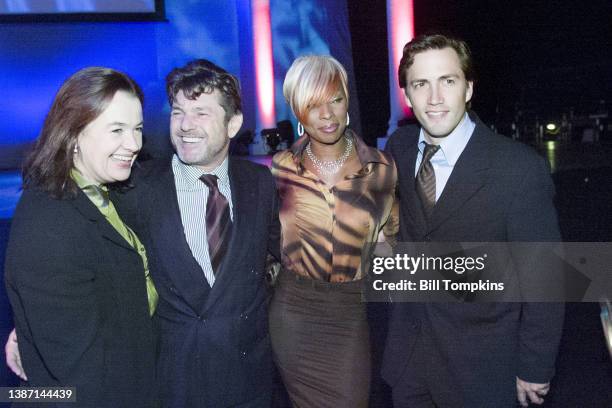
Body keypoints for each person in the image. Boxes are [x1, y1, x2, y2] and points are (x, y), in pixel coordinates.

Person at [382, 34, 564, 407]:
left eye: (447, 81)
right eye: (421, 84)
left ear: (468, 88)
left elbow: (545, 278)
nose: (434, 98)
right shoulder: (399, 148)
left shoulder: (517, 168)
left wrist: (536, 365)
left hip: (482, 369)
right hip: (410, 363)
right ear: (407, 94)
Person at [121, 59, 281, 407]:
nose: (185, 126)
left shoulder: (260, 183)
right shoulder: (137, 189)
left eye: (201, 113)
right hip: (173, 382)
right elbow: (96, 268)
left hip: (247, 380)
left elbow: (282, 260)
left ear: (233, 123)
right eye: (178, 112)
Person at [3, 67, 158, 407]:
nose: (134, 144)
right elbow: (84, 376)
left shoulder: (107, 189)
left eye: (138, 129)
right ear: (72, 134)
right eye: (117, 130)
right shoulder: (49, 226)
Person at [268, 55, 397, 407]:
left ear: (347, 102)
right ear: (297, 111)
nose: (326, 115)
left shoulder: (381, 169)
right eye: (313, 104)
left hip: (348, 312)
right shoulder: (280, 170)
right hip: (292, 312)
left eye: (335, 100)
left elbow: (390, 242)